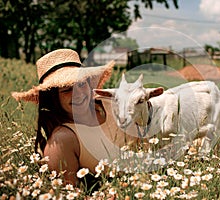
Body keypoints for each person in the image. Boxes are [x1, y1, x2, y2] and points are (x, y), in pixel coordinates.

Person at [11, 49, 139, 186]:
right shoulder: (62, 140)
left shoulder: (112, 103)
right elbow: (70, 193)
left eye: (81, 84)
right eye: (66, 90)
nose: (77, 93)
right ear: (53, 98)